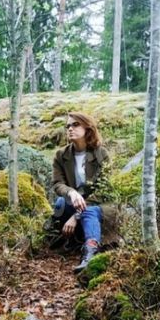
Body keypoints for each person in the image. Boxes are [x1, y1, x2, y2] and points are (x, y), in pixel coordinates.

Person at [51, 112, 111, 272]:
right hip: (73, 203)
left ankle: (90, 253)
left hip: (97, 204)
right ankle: (69, 239)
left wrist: (76, 216)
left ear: (87, 128)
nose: (70, 128)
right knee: (60, 203)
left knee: (89, 211)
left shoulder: (101, 154)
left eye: (75, 124)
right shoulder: (61, 155)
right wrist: (71, 192)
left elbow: (104, 189)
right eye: (68, 126)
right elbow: (57, 184)